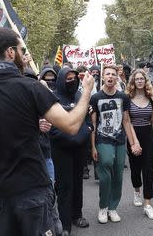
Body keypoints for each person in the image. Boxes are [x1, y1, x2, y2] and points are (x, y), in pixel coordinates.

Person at [0, 27, 94, 235]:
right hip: (34, 192)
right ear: (10, 52)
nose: (24, 54)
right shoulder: (31, 88)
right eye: (21, 48)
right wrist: (87, 90)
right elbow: (71, 125)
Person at [90, 64, 142, 224]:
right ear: (103, 77)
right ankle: (103, 207)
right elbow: (92, 124)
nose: (110, 76)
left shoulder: (123, 97)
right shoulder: (96, 98)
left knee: (118, 175)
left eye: (113, 74)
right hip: (102, 139)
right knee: (106, 166)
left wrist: (133, 142)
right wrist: (92, 147)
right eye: (107, 74)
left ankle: (113, 208)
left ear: (116, 77)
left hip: (119, 140)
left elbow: (126, 121)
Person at [49, 67, 92, 234]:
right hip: (61, 150)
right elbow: (53, 128)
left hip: (79, 149)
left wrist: (86, 131)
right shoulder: (53, 99)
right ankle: (65, 223)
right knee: (64, 186)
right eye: (68, 78)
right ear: (60, 80)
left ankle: (77, 215)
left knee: (77, 183)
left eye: (74, 78)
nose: (71, 81)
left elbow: (87, 120)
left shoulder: (79, 96)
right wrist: (73, 137)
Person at [126, 69, 153, 220]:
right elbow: (127, 121)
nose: (139, 81)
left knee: (148, 169)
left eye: (142, 79)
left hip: (148, 134)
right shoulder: (128, 98)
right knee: (135, 168)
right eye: (137, 79)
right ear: (133, 82)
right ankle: (136, 191)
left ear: (145, 81)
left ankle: (148, 203)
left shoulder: (151, 98)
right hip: (132, 134)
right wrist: (135, 142)